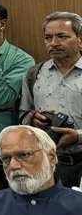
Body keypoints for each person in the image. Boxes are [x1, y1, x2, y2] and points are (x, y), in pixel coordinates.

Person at [19, 11, 82, 184]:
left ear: (80, 40)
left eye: (62, 36)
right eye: (48, 38)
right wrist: (33, 120)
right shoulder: (33, 74)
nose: (53, 43)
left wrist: (77, 136)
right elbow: (23, 114)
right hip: (49, 164)